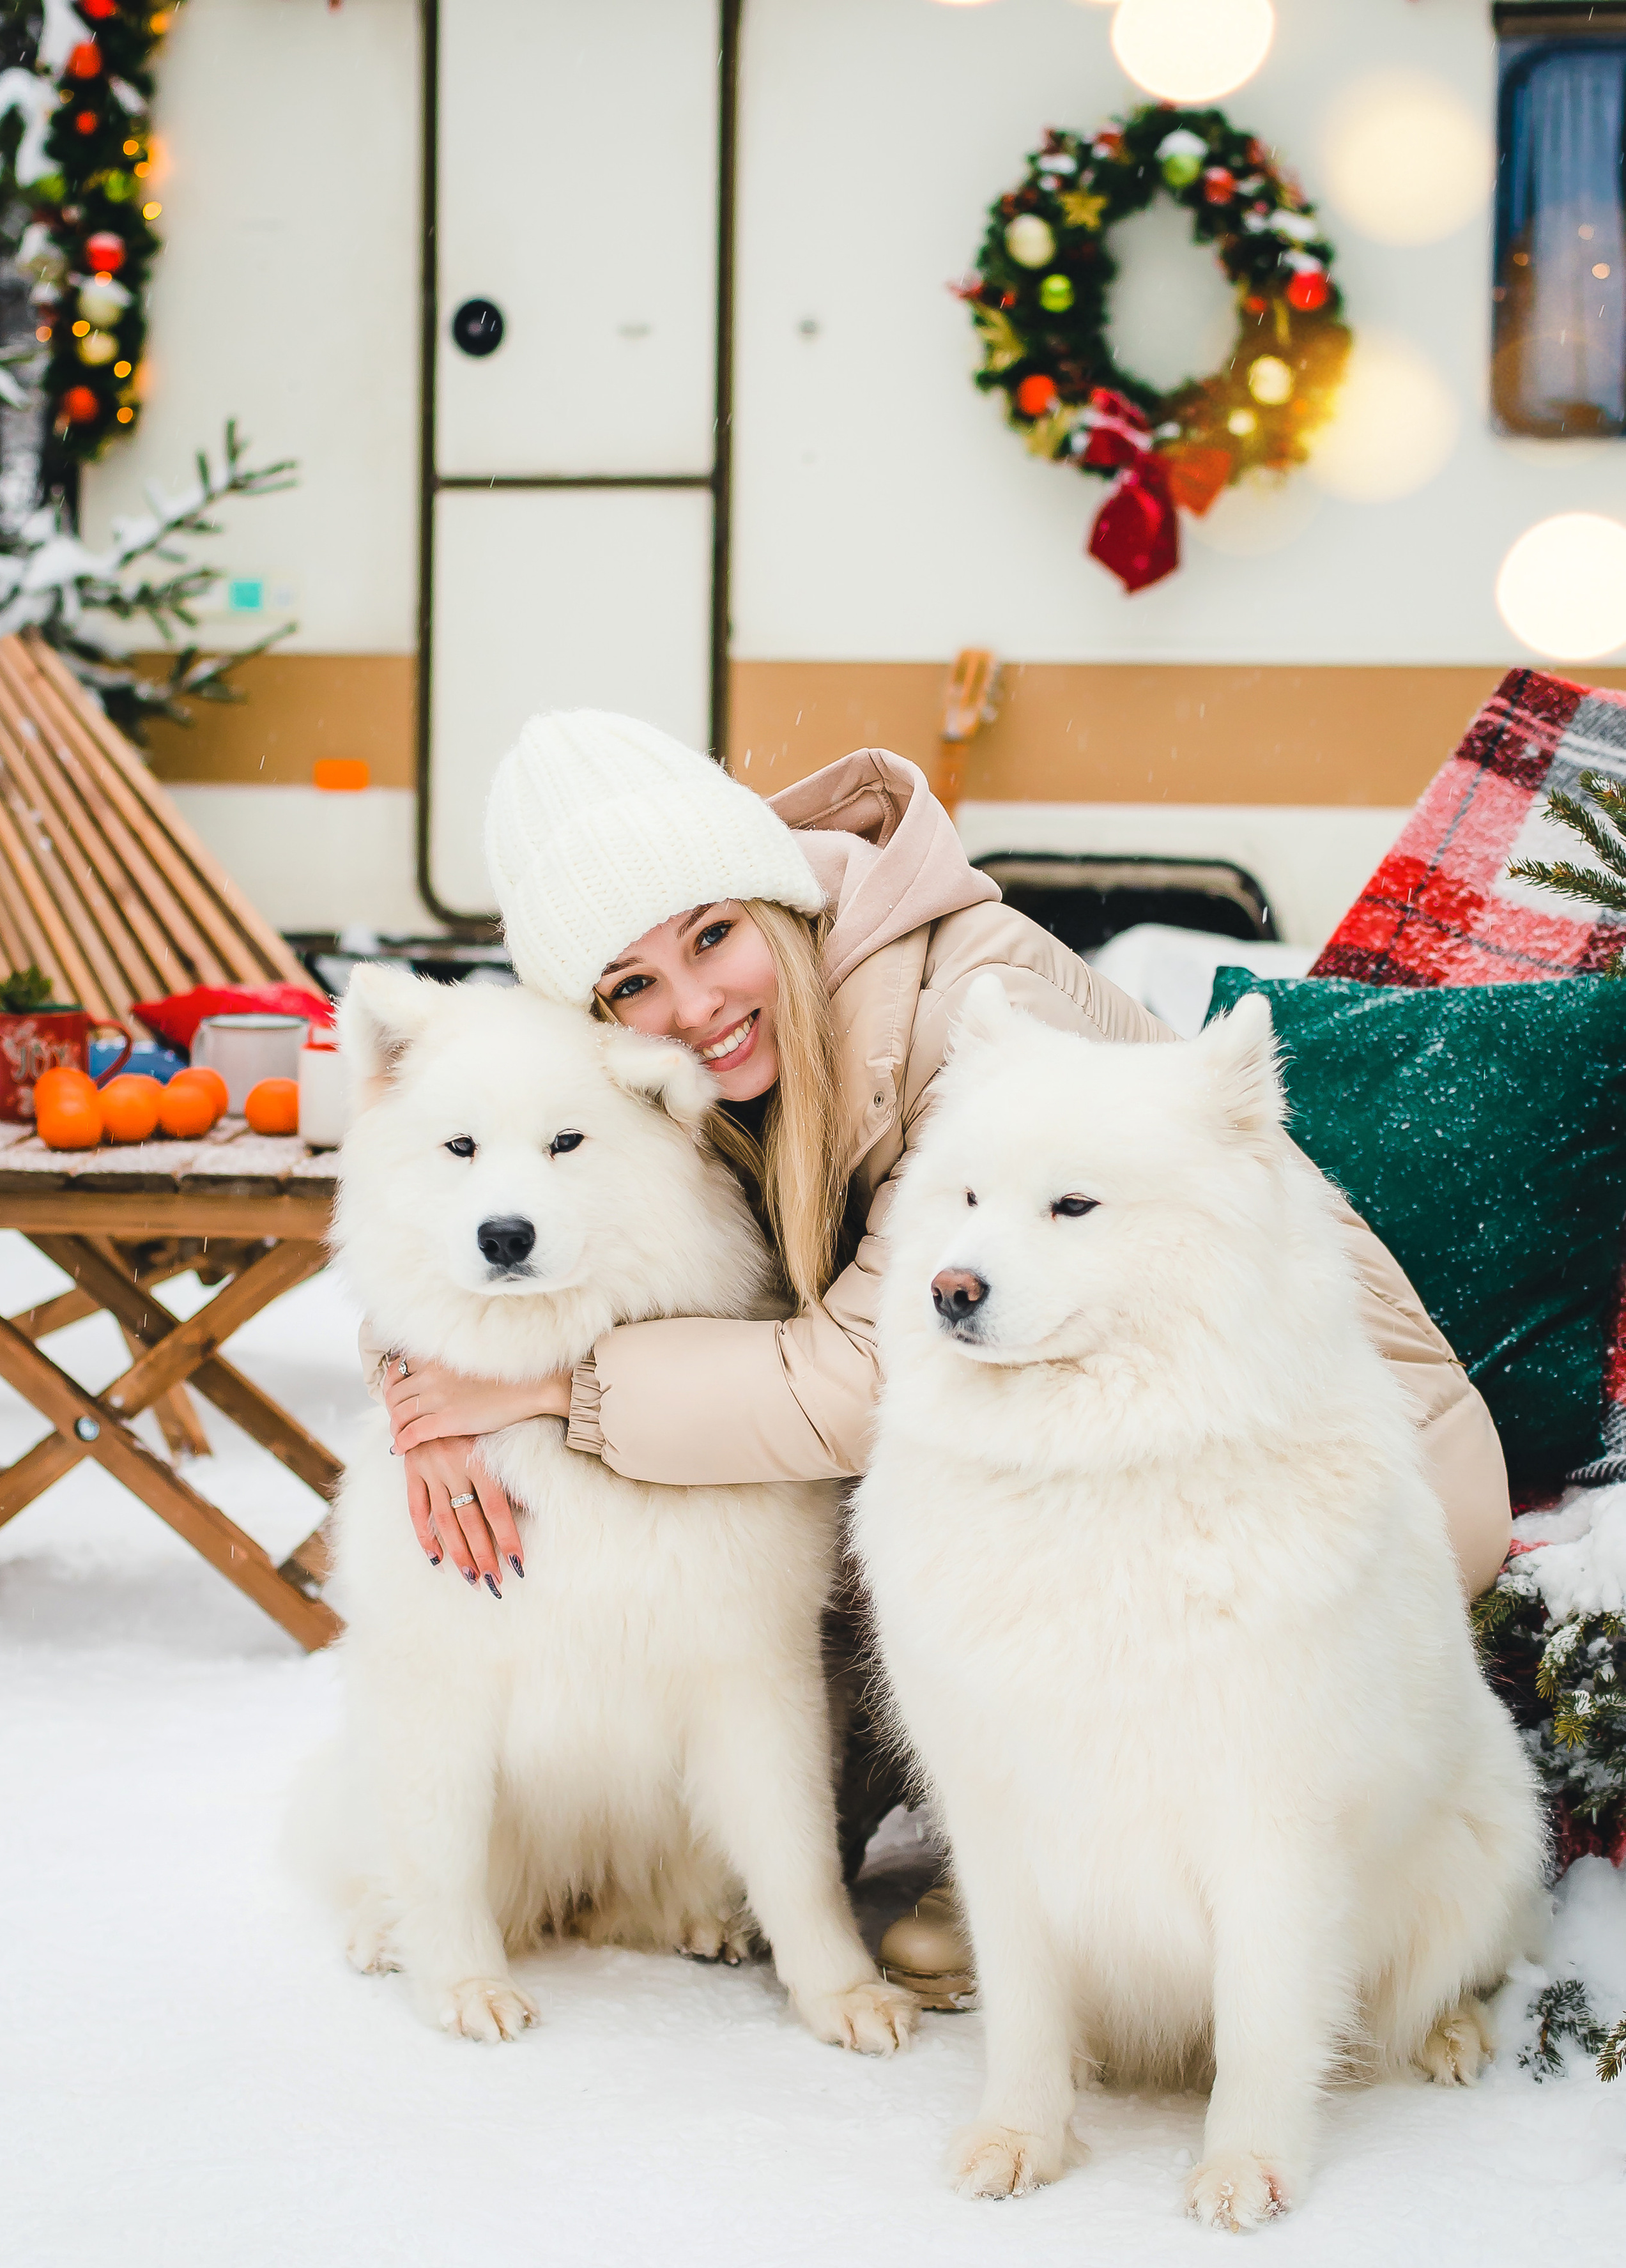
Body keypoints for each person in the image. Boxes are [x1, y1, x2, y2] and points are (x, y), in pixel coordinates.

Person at [368, 709, 1513, 2007]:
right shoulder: (749, 1038)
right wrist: (420, 1384)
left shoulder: (972, 1005)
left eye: (710, 936)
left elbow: (870, 1375)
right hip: (1109, 1438)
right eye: (632, 986)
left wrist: (540, 1391)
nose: (691, 1007)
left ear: (772, 893)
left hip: (1317, 1471)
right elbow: (460, 1165)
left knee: (881, 1548)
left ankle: (1056, 1890)